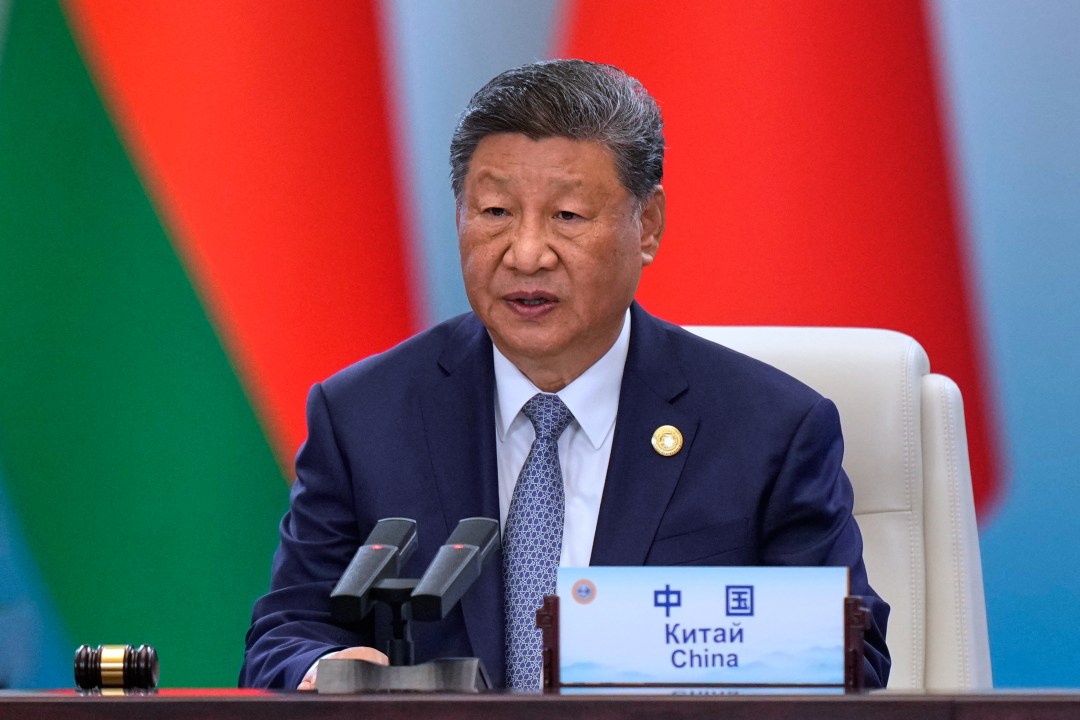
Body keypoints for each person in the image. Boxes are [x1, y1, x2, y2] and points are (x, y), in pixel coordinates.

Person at [239, 59, 890, 691]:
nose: (525, 253)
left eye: (567, 217)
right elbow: (285, 632)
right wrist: (325, 669)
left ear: (648, 225)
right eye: (494, 212)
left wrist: (623, 640)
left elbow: (849, 653)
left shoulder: (769, 429)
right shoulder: (364, 416)